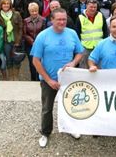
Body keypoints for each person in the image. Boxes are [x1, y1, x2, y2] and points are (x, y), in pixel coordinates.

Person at [31, 8, 84, 148]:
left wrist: (73, 62)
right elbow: (35, 61)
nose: (62, 22)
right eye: (59, 19)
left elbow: (80, 53)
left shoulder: (72, 33)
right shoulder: (43, 36)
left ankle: (70, 128)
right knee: (47, 108)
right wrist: (48, 80)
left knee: (70, 105)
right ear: (51, 20)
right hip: (49, 80)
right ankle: (45, 133)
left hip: (68, 80)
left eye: (64, 19)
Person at [0, 0, 23, 81]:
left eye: (8, 3)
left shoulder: (16, 14)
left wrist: (18, 40)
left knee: (17, 58)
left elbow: (20, 28)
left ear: (10, 5)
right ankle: (11, 76)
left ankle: (16, 76)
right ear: (1, 5)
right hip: (5, 40)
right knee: (9, 59)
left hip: (15, 40)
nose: (6, 5)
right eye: (4, 4)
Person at [75, 0, 108, 68]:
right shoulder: (80, 18)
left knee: (99, 69)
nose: (93, 9)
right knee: (84, 69)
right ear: (86, 6)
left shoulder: (101, 16)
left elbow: (105, 31)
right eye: (91, 7)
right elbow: (77, 35)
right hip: (85, 48)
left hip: (99, 47)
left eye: (95, 7)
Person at [23, 2, 46, 81]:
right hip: (30, 45)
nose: (34, 13)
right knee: (32, 63)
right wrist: (32, 41)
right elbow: (24, 34)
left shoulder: (43, 20)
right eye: (32, 11)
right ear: (29, 11)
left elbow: (44, 33)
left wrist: (38, 42)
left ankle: (41, 79)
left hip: (41, 45)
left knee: (40, 63)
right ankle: (33, 79)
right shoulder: (25, 21)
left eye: (36, 11)